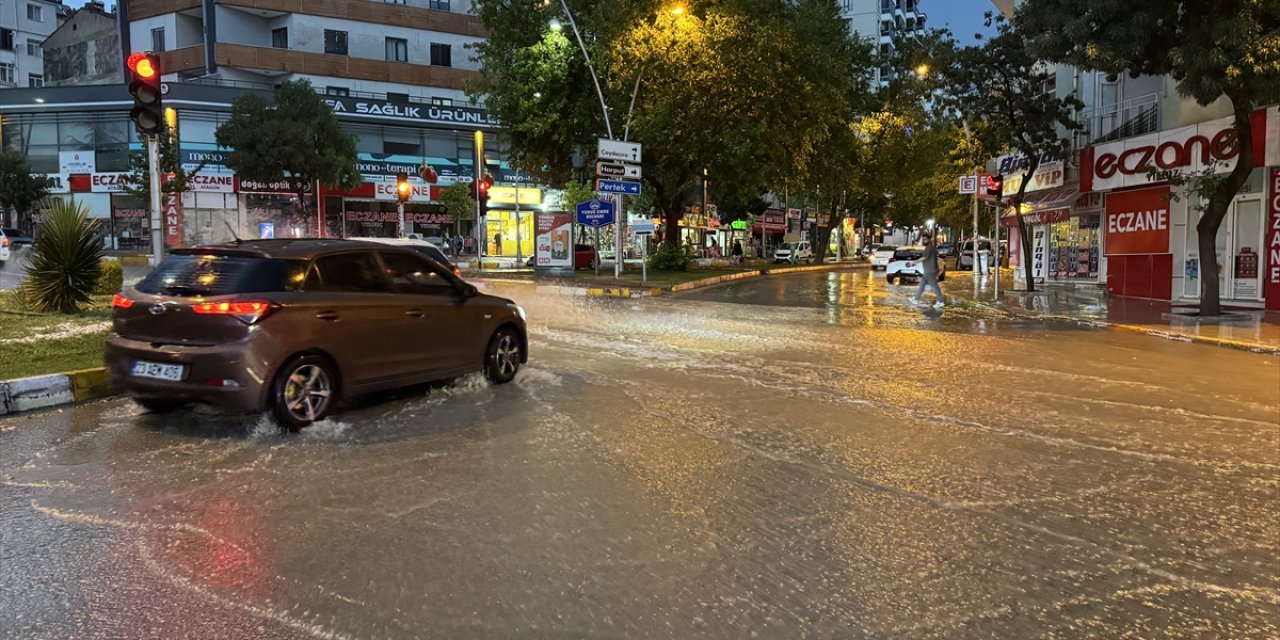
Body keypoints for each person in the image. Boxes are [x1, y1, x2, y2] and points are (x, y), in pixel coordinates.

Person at [909, 233, 945, 308]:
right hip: (928, 270)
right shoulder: (930, 247)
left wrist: (913, 262)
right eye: (923, 239)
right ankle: (915, 299)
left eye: (925, 239)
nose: (924, 241)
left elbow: (924, 258)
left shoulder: (929, 247)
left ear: (929, 239)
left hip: (930, 271)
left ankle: (941, 301)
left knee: (934, 286)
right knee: (922, 285)